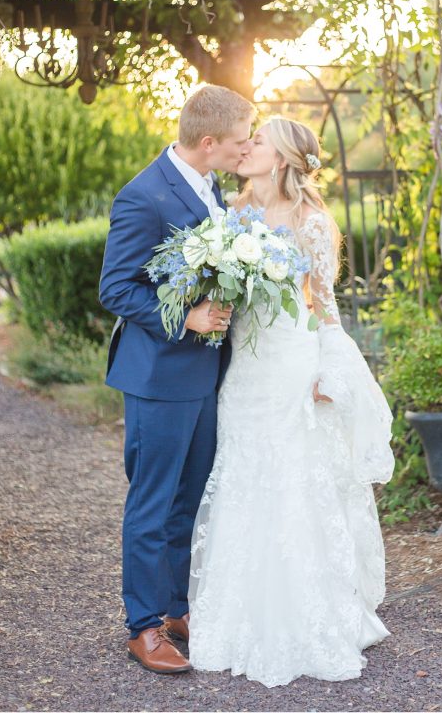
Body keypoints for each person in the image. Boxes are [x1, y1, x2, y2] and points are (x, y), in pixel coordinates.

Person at [188, 116, 395, 687]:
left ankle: (307, 613)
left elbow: (325, 309)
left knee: (294, 481)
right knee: (242, 478)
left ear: (281, 160)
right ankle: (237, 614)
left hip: (290, 368)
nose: (248, 146)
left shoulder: (311, 223)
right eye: (249, 140)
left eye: (259, 142)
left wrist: (330, 370)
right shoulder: (228, 216)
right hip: (244, 374)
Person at [99, 84, 256, 674]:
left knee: (188, 500)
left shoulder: (210, 185)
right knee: (152, 501)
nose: (247, 151)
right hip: (159, 375)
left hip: (206, 374)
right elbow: (115, 288)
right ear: (210, 142)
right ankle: (143, 627)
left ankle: (173, 606)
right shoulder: (142, 196)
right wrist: (186, 317)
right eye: (241, 142)